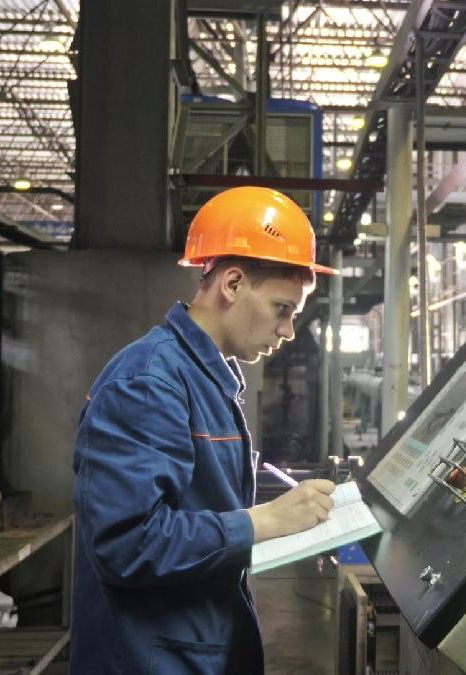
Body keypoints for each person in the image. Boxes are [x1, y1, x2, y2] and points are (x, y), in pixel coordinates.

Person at [70, 187, 338, 674]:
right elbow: (128, 544)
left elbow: (198, 505)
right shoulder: (149, 383)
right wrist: (264, 521)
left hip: (192, 647)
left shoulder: (204, 378)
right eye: (283, 309)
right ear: (232, 283)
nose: (288, 332)